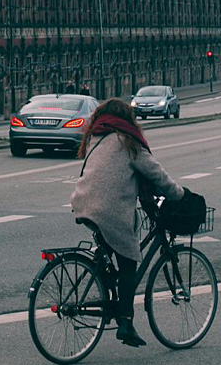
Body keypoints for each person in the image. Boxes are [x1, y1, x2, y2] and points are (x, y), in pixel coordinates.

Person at [69, 99, 186, 348]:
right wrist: (179, 194)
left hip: (83, 203)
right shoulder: (128, 140)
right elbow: (155, 173)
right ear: (128, 119)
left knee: (113, 254)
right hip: (109, 210)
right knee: (129, 262)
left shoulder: (95, 136)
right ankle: (125, 321)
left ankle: (110, 296)